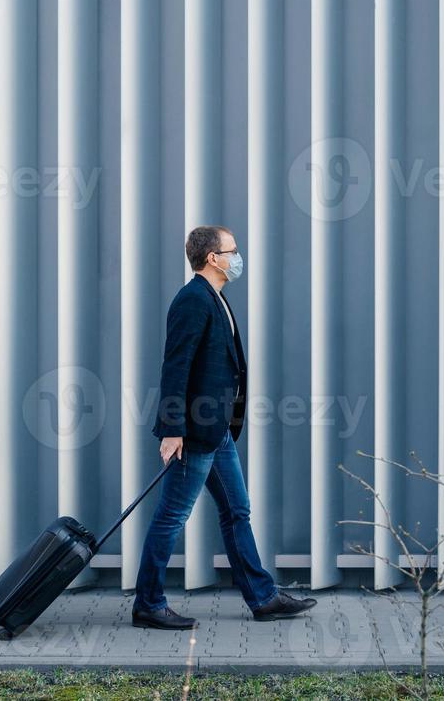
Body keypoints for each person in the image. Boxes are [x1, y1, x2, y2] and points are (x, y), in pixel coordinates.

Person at [131, 225, 317, 630]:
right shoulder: (193, 300)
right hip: (195, 433)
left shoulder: (215, 298)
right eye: (232, 250)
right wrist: (173, 429)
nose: (238, 257)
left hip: (215, 432)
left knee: (236, 511)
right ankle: (148, 603)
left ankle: (263, 597)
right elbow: (175, 367)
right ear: (212, 258)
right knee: (172, 516)